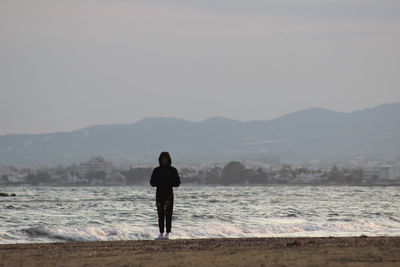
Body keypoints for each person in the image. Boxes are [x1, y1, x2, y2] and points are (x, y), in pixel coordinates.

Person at [150, 151, 181, 240]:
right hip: (159, 193)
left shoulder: (173, 170)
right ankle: (161, 233)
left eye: (166, 159)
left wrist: (169, 183)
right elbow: (152, 182)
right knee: (160, 213)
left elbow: (177, 183)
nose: (164, 161)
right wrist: (159, 183)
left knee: (168, 213)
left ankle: (168, 233)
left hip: (169, 194)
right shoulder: (156, 170)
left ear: (169, 159)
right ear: (160, 160)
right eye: (163, 159)